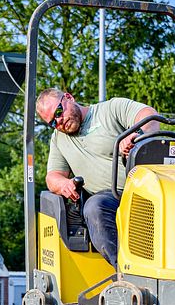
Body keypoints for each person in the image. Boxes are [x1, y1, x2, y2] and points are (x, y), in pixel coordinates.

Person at [36, 87, 159, 269]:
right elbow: (53, 176)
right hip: (111, 199)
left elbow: (150, 116)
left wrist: (137, 134)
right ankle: (127, 272)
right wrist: (63, 184)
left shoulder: (110, 110)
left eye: (59, 112)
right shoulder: (58, 140)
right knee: (94, 207)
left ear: (69, 97)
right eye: (53, 122)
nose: (59, 121)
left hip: (146, 193)